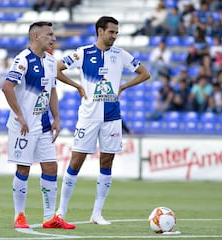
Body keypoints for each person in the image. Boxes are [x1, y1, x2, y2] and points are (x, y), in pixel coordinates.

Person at [55, 16, 151, 225]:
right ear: (100, 31)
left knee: (107, 161)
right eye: (112, 32)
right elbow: (57, 69)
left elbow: (145, 73)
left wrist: (124, 87)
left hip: (112, 117)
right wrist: (77, 86)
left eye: (117, 32)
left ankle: (97, 213)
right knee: (76, 161)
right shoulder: (83, 52)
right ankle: (61, 212)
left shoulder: (120, 54)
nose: (115, 36)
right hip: (88, 116)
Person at [2, 21, 76, 229]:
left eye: (54, 35)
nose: (53, 38)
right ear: (36, 37)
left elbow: (52, 91)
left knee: (51, 167)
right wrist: (20, 116)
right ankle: (19, 216)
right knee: (23, 169)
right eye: (49, 35)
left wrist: (57, 119)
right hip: (23, 126)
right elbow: (7, 87)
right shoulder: (23, 60)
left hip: (43, 124)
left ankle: (49, 217)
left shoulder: (52, 62)